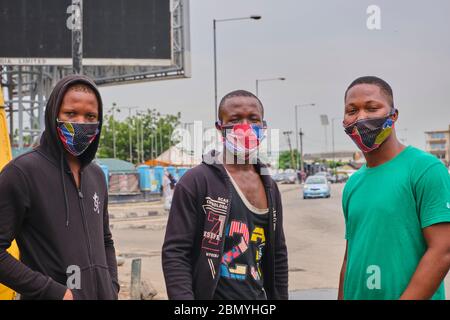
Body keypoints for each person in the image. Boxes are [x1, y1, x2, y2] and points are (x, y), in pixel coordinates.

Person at [0, 75, 119, 300]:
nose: (81, 123)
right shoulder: (22, 173)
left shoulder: (96, 176)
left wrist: (111, 287)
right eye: (71, 114)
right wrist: (56, 293)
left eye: (90, 116)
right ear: (54, 114)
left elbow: (105, 240)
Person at [162, 90, 288, 300]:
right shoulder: (195, 182)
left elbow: (278, 256)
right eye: (235, 119)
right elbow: (175, 254)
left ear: (263, 126)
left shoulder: (270, 188)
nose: (245, 126)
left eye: (253, 119)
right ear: (220, 128)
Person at [338, 76, 450, 300]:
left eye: (372, 108)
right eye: (352, 111)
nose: (361, 117)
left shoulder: (425, 169)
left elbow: (443, 251)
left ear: (393, 115)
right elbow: (350, 257)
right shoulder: (353, 183)